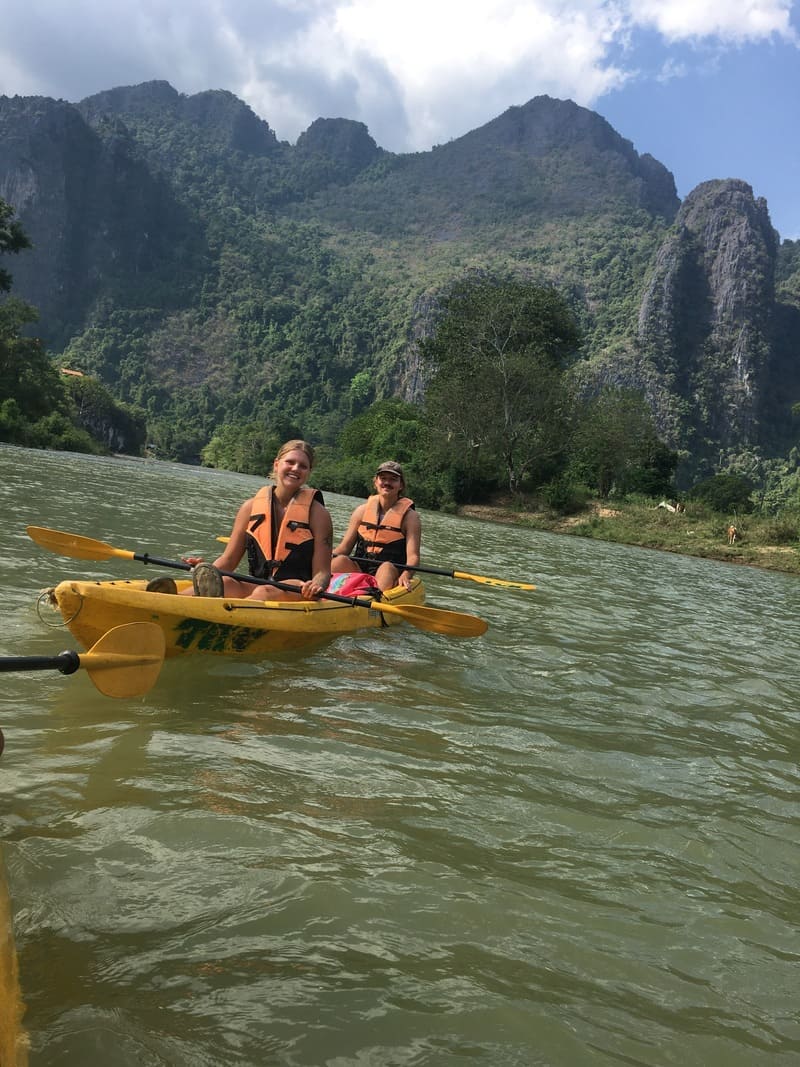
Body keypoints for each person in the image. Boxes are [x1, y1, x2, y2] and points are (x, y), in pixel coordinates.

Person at [180, 439, 332, 600]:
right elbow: (229, 560)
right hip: (259, 584)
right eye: (290, 462)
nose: (296, 468)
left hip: (299, 591)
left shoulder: (319, 515)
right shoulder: (249, 508)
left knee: (264, 592)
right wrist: (205, 571)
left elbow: (322, 572)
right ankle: (166, 599)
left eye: (303, 466)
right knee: (226, 583)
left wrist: (316, 585)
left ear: (308, 472)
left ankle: (231, 618)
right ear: (276, 464)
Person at [331, 461, 421, 592]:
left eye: (393, 479)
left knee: (386, 568)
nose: (387, 483)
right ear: (375, 482)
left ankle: (375, 599)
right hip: (359, 569)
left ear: (401, 485)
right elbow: (344, 547)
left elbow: (413, 557)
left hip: (388, 572)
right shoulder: (361, 511)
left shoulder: (410, 517)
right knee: (339, 561)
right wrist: (324, 560)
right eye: (383, 478)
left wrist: (406, 574)